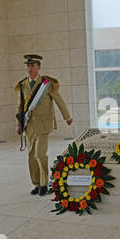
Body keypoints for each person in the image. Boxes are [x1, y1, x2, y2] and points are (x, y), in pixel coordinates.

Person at [15, 54, 73, 196]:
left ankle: (44, 183)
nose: (30, 68)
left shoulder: (47, 84)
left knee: (40, 154)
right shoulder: (23, 84)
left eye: (33, 65)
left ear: (39, 67)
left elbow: (59, 100)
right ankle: (36, 183)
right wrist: (19, 124)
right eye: (28, 65)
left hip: (43, 124)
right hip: (29, 125)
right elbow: (20, 106)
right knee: (31, 156)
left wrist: (67, 116)